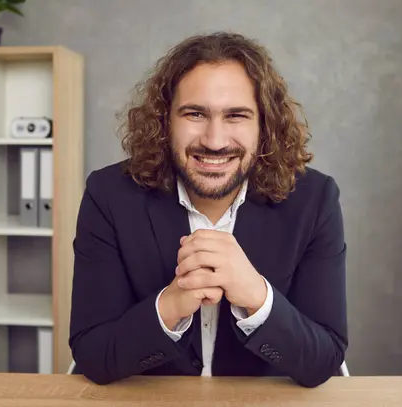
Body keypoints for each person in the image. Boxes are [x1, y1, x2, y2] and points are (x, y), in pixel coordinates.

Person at [69, 31, 348, 387]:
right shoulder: (108, 194)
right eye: (195, 114)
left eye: (236, 116)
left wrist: (257, 297)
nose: (215, 141)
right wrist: (170, 307)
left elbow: (324, 359)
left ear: (264, 126)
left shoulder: (315, 199)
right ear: (165, 120)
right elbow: (93, 353)